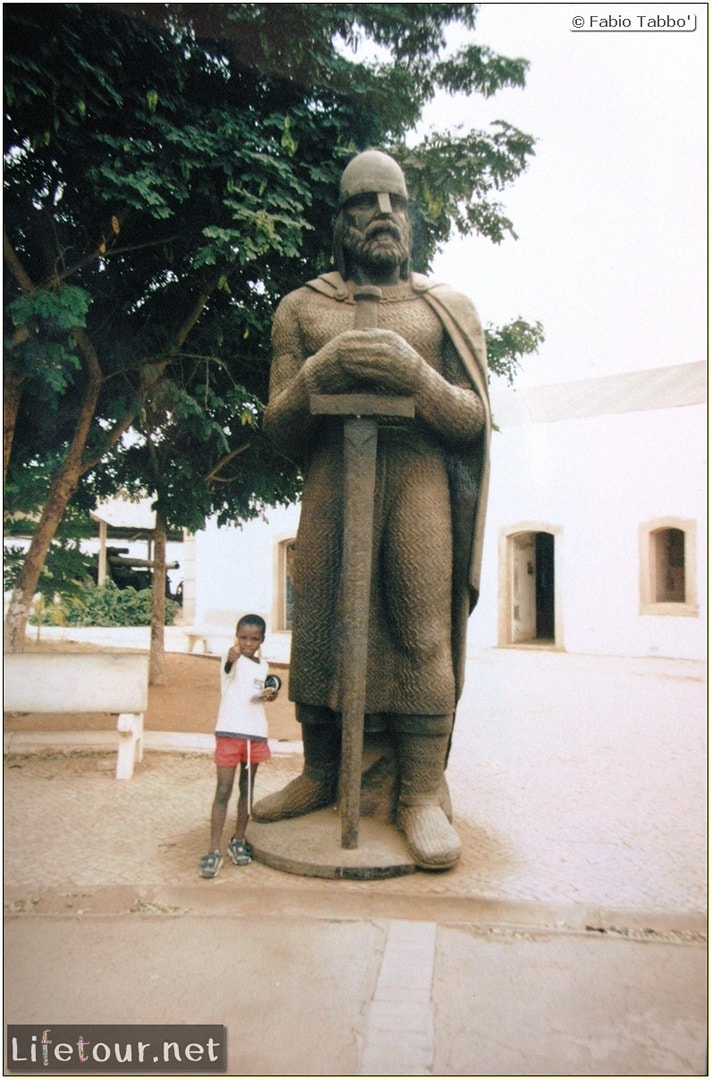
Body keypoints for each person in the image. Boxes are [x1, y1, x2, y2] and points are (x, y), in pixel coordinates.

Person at [251, 149, 491, 870]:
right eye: (366, 203)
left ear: (412, 217)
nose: (384, 216)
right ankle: (322, 773)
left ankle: (419, 792)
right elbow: (279, 427)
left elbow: (473, 420)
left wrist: (415, 375)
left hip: (416, 479)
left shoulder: (444, 309)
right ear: (340, 220)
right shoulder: (302, 308)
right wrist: (322, 370)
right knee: (322, 621)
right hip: (330, 481)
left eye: (396, 202)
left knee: (420, 626)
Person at [199, 614, 280, 879]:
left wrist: (271, 691)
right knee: (223, 790)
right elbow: (228, 668)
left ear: (262, 640)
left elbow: (261, 691)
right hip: (229, 733)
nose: (248, 643)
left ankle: (238, 839)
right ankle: (213, 849)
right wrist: (232, 657)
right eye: (243, 638)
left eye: (254, 639)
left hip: (254, 735)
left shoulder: (263, 666)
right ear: (236, 638)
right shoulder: (229, 658)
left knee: (247, 790)